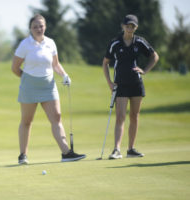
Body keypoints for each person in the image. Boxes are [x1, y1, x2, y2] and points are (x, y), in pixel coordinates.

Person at [11, 14, 86, 164]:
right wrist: (27, 80)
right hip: (29, 87)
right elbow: (15, 68)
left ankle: (66, 153)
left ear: (45, 26)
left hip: (48, 85)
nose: (38, 29)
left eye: (41, 26)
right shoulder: (25, 44)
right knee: (27, 121)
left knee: (56, 117)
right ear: (30, 29)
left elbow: (55, 64)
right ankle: (23, 155)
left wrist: (64, 75)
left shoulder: (50, 43)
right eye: (35, 26)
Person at [102, 14, 159, 159]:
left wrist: (145, 71)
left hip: (136, 83)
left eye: (132, 26)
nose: (129, 28)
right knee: (120, 116)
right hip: (120, 84)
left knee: (134, 116)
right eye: (127, 25)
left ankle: (131, 149)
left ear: (136, 27)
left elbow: (154, 56)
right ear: (123, 26)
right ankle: (116, 149)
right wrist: (109, 82)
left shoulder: (139, 42)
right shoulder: (115, 43)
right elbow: (105, 63)